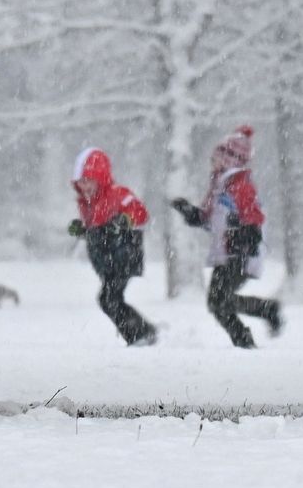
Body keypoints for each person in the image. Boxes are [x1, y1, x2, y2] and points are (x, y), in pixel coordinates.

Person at [172, 124, 283, 348]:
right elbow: (211, 220)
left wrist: (247, 236)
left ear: (230, 159)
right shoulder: (220, 185)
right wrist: (190, 212)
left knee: (219, 301)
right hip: (227, 252)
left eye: (217, 156)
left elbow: (254, 215)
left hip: (239, 252)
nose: (212, 161)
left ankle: (247, 336)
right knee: (217, 302)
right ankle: (260, 318)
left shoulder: (238, 184)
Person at [67, 147, 155, 346]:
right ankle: (141, 332)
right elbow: (97, 232)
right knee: (109, 300)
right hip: (106, 262)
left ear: (101, 178)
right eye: (81, 183)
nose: (85, 187)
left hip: (124, 256)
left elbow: (140, 213)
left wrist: (125, 220)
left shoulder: (117, 194)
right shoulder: (86, 204)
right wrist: (82, 229)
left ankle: (140, 334)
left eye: (89, 181)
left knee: (108, 299)